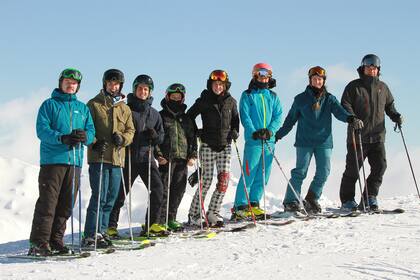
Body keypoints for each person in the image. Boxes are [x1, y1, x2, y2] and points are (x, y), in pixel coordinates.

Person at [275, 66, 362, 214]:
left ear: (324, 81)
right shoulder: (300, 99)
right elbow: (290, 120)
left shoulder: (329, 99)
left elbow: (340, 112)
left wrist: (350, 118)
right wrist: (279, 135)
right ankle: (291, 201)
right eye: (315, 79)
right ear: (310, 80)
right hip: (304, 142)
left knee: (324, 171)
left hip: (324, 142)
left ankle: (311, 198)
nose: (318, 81)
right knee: (300, 172)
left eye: (320, 79)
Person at [28, 68, 95, 256]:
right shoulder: (49, 105)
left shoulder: (82, 108)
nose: (70, 85)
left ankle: (56, 240)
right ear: (60, 83)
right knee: (48, 203)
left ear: (78, 86)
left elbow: (91, 133)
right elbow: (42, 130)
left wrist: (84, 136)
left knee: (67, 204)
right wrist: (62, 138)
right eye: (67, 81)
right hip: (53, 161)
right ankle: (38, 242)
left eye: (74, 83)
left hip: (74, 162)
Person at [339, 54, 403, 211]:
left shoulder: (383, 87)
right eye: (368, 68)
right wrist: (352, 118)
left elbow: (389, 106)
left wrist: (396, 116)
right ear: (363, 68)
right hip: (358, 136)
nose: (371, 70)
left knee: (380, 167)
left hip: (378, 136)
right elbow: (345, 104)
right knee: (353, 170)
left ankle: (369, 197)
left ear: (378, 70)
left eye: (374, 68)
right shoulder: (353, 86)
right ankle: (347, 200)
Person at [108, 74, 166, 236]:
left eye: (146, 89)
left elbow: (161, 137)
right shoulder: (126, 109)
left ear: (150, 92)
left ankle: (152, 224)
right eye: (140, 88)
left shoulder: (154, 114)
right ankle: (110, 226)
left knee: (158, 189)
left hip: (147, 157)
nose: (143, 91)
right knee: (120, 194)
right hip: (128, 157)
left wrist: (155, 137)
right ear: (134, 89)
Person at [82, 69, 135, 247]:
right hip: (99, 157)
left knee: (111, 197)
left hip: (118, 159)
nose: (114, 86)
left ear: (121, 86)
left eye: (117, 84)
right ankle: (90, 234)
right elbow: (86, 127)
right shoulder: (94, 104)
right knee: (100, 196)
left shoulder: (124, 108)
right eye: (111, 83)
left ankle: (102, 232)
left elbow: (130, 131)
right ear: (105, 84)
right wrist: (94, 142)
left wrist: (123, 139)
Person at [187, 70, 239, 227]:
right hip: (208, 144)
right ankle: (194, 214)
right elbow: (189, 116)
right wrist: (197, 131)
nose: (218, 87)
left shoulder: (231, 101)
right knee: (207, 180)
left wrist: (235, 131)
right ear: (210, 85)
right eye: (215, 84)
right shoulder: (204, 100)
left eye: (221, 84)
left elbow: (236, 120)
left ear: (225, 85)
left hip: (225, 145)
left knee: (224, 180)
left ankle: (213, 212)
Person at [232, 63, 282, 220]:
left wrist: (270, 131)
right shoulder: (247, 95)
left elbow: (278, 115)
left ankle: (254, 203)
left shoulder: (273, 96)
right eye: (261, 73)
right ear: (255, 75)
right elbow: (245, 116)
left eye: (267, 74)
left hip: (269, 140)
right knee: (249, 172)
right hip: (254, 141)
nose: (264, 76)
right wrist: (254, 131)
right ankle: (240, 206)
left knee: (263, 174)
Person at [155, 83, 197, 231]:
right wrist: (159, 155)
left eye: (178, 97)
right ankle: (159, 221)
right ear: (167, 97)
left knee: (179, 190)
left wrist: (192, 155)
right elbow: (156, 139)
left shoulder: (187, 119)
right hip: (167, 159)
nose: (176, 99)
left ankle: (171, 218)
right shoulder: (160, 116)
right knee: (164, 190)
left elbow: (192, 138)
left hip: (182, 160)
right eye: (173, 97)